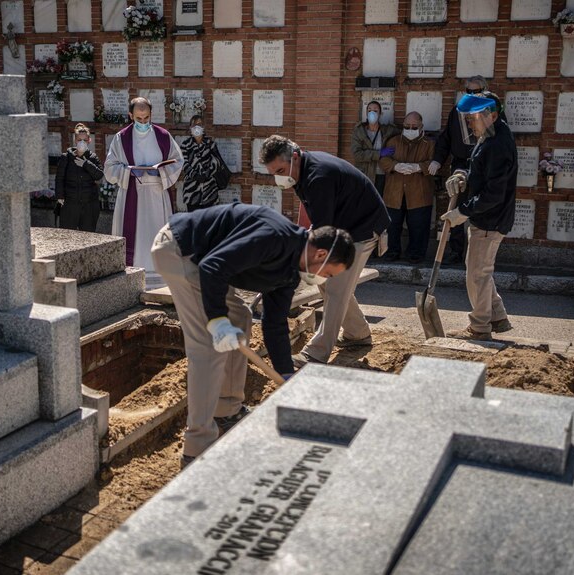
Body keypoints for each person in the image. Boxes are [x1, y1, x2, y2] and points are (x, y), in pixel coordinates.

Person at [151, 203, 355, 467]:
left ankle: (226, 410)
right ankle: (198, 447)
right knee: (208, 347)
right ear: (321, 254)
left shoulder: (291, 273)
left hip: (204, 263)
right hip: (181, 250)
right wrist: (216, 320)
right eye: (327, 273)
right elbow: (213, 266)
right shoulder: (273, 236)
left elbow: (275, 323)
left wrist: (286, 375)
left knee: (240, 318)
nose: (323, 279)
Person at [260, 135, 390, 367]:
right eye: (273, 173)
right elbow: (311, 217)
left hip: (363, 228)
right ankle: (357, 334)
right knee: (327, 283)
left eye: (280, 169)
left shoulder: (318, 176)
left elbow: (323, 233)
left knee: (336, 287)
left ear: (295, 157)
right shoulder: (301, 172)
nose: (278, 177)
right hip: (345, 225)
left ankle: (316, 353)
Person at [441, 92, 516, 341]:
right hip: (487, 218)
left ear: (491, 115)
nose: (470, 124)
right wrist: (462, 175)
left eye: (473, 118)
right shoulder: (489, 137)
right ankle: (497, 316)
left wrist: (462, 212)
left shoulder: (498, 144)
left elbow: (493, 193)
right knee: (481, 270)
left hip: (490, 220)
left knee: (477, 274)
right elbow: (479, 172)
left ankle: (480, 327)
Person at [105, 96, 184, 289]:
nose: (143, 122)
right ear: (130, 115)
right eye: (138, 119)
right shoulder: (121, 138)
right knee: (136, 240)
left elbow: (177, 161)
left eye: (146, 118)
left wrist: (160, 171)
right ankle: (132, 279)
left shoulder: (163, 136)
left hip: (157, 194)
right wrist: (129, 171)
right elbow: (109, 168)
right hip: (132, 193)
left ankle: (161, 280)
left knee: (157, 234)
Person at [430, 75, 488, 265]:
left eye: (476, 91)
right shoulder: (457, 111)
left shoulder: (490, 112)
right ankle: (456, 251)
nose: (472, 95)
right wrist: (438, 160)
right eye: (469, 91)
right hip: (460, 164)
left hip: (481, 165)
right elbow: (446, 138)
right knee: (455, 208)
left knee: (479, 208)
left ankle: (478, 256)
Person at [378, 111, 435, 264]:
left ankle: (416, 254)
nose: (410, 129)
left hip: (419, 192)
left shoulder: (429, 144)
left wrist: (419, 167)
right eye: (407, 126)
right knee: (392, 225)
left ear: (421, 126)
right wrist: (395, 166)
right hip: (394, 192)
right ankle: (391, 252)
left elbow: (436, 164)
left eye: (414, 126)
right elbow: (383, 159)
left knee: (419, 225)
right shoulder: (393, 142)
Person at [55, 123, 104, 232]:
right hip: (70, 204)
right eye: (79, 140)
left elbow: (99, 175)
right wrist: (60, 196)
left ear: (89, 141)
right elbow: (60, 178)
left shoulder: (93, 157)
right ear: (75, 140)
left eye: (85, 140)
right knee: (67, 235)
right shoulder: (66, 157)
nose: (82, 143)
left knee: (87, 235)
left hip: (89, 204)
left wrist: (86, 164)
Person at [350, 100, 399, 193]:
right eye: (369, 110)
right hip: (364, 174)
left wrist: (426, 136)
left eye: (375, 110)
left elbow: (404, 135)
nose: (372, 113)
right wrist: (379, 153)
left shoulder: (387, 130)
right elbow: (357, 154)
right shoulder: (359, 132)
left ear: (380, 113)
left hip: (382, 175)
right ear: (366, 113)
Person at [179, 114, 225, 211]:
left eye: (199, 124)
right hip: (192, 192)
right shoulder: (185, 145)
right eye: (194, 125)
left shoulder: (210, 144)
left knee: (209, 221)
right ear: (190, 128)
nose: (197, 127)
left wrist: (207, 174)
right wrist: (195, 175)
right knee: (194, 222)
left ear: (203, 127)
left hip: (209, 190)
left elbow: (217, 161)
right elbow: (184, 163)